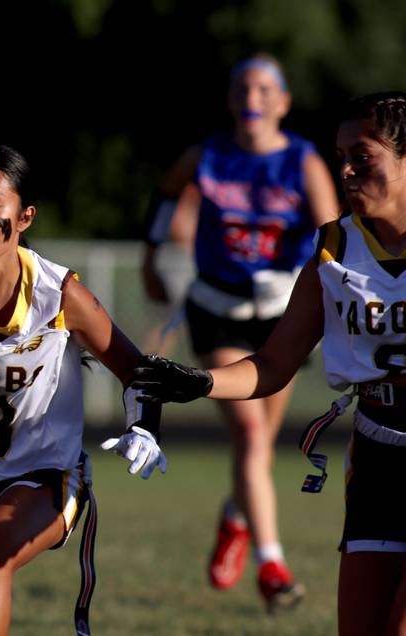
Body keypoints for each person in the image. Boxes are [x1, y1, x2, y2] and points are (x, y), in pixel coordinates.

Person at [133, 91, 406, 635]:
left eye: (363, 156)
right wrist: (199, 382)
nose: (346, 170)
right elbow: (274, 363)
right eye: (341, 156)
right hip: (378, 450)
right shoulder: (334, 247)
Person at [0, 145, 165, 636]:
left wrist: (145, 426)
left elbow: (135, 370)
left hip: (40, 474)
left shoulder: (58, 295)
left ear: (24, 217)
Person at [140, 52, 339, 610]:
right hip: (216, 309)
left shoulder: (303, 162)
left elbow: (332, 235)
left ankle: (235, 517)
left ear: (282, 101)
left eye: (263, 89)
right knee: (251, 437)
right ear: (230, 100)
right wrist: (152, 255)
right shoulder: (206, 154)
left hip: (282, 315)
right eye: (242, 89)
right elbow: (165, 196)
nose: (252, 99)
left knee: (260, 446)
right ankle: (272, 566)